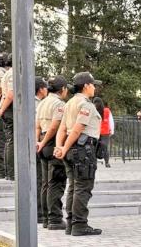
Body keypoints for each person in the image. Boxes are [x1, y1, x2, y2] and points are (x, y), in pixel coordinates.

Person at [54, 72, 102, 236]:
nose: (94, 87)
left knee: (74, 187)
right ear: (86, 86)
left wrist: (60, 147)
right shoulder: (85, 104)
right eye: (93, 84)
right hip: (82, 150)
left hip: (71, 150)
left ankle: (71, 224)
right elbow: (77, 129)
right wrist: (64, 148)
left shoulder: (69, 103)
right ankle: (80, 225)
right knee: (83, 187)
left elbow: (62, 128)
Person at [36, 76, 70, 230]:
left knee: (45, 183)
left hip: (42, 142)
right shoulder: (59, 104)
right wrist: (44, 143)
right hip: (52, 142)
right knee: (56, 182)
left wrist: (38, 142)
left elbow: (37, 125)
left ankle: (45, 218)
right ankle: (55, 219)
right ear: (62, 89)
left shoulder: (42, 102)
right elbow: (55, 126)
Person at [0, 54, 13, 180]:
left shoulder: (7, 73)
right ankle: (12, 173)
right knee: (12, 141)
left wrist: (0, 108)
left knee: (8, 141)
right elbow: (10, 94)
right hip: (11, 109)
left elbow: (4, 95)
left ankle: (8, 172)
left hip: (6, 108)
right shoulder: (12, 74)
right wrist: (2, 109)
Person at [35, 76, 49, 225]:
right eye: (45, 87)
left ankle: (41, 212)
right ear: (40, 89)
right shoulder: (36, 104)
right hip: (38, 143)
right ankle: (39, 212)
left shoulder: (41, 103)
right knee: (40, 179)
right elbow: (36, 125)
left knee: (41, 179)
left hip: (38, 142)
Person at [99, 101, 114, 168]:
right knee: (105, 147)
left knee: (93, 147)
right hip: (105, 131)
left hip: (96, 131)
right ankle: (107, 162)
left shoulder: (95, 109)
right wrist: (112, 130)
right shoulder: (108, 111)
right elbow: (111, 121)